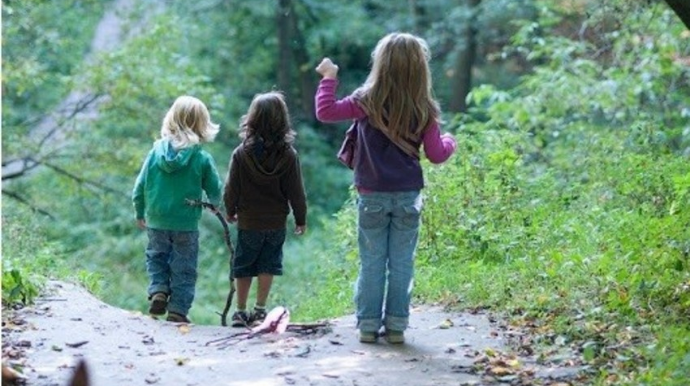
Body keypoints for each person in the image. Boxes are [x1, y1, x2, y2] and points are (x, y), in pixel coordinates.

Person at [314, 32, 457, 344]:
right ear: (421, 69)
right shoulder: (424, 108)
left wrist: (329, 77)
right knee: (402, 262)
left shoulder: (367, 101)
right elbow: (436, 154)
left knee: (372, 261)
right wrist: (450, 142)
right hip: (408, 196)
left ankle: (367, 325)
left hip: (372, 195)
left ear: (381, 64)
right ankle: (396, 327)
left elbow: (326, 112)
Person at [132, 95, 222, 324]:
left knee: (156, 257)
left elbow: (139, 186)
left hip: (157, 220)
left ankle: (159, 290)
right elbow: (214, 187)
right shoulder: (201, 158)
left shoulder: (154, 153)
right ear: (201, 125)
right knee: (184, 267)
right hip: (185, 223)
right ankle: (178, 311)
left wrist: (139, 211)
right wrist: (216, 205)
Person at [223, 91, 307, 328]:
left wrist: (230, 210)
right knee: (267, 265)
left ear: (252, 119)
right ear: (283, 120)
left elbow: (232, 187)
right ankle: (260, 310)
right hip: (276, 223)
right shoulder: (289, 156)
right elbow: (296, 192)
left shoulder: (241, 154)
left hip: (249, 221)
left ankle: (239, 311)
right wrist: (300, 218)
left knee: (244, 265)